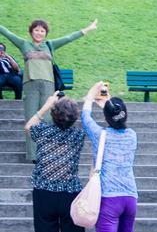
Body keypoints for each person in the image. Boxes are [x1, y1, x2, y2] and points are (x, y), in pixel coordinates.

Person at [0, 19, 97, 161]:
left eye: (42, 31)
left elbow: (68, 38)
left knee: (47, 119)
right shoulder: (24, 44)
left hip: (48, 85)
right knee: (31, 118)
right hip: (30, 85)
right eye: (36, 30)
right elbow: (7, 33)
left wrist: (87, 29)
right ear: (31, 31)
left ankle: (45, 152)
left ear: (45, 33)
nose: (39, 33)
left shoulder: (49, 45)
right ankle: (32, 155)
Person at [24, 91, 87, 232]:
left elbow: (29, 125)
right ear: (73, 118)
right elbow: (89, 124)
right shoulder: (78, 135)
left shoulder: (42, 132)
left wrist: (47, 105)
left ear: (53, 115)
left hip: (44, 195)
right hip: (70, 195)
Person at [82, 82, 138, 232]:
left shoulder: (100, 135)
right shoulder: (132, 135)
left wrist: (90, 96)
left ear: (106, 117)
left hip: (109, 200)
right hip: (130, 198)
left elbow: (86, 117)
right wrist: (110, 102)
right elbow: (117, 117)